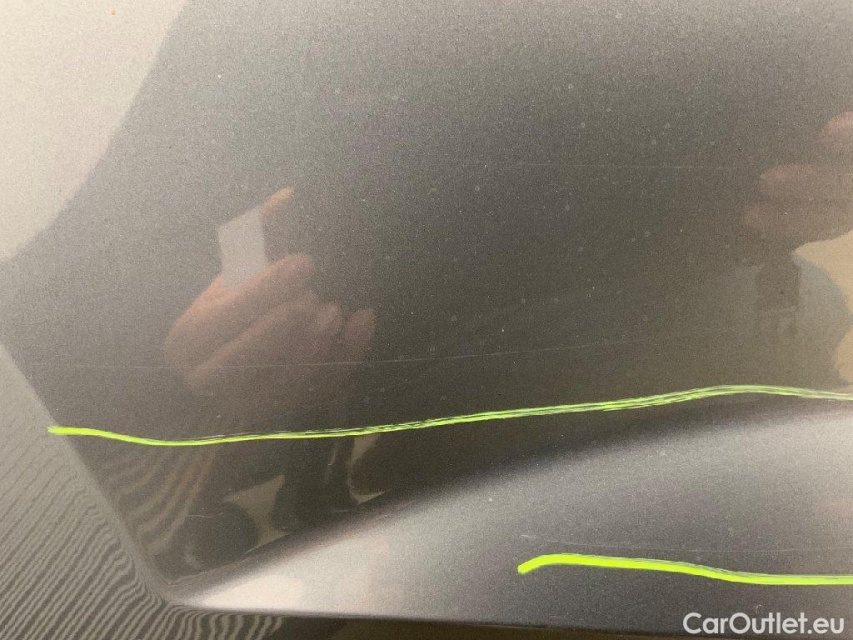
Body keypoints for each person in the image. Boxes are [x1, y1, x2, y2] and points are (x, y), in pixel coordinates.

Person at [1, 0, 851, 570]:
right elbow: (86, 282)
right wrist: (180, 360)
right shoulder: (228, 37)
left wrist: (815, 184)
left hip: (627, 342)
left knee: (797, 320)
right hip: (331, 397)